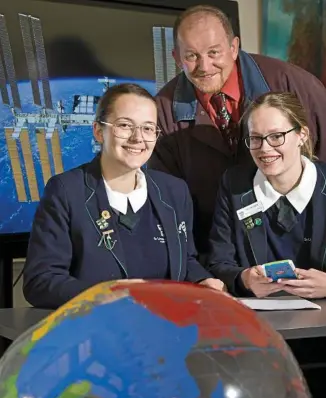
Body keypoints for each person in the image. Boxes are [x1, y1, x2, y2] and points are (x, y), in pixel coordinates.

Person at [23, 83, 224, 309]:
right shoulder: (66, 191)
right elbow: (40, 280)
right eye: (125, 125)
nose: (138, 138)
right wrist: (103, 295)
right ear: (99, 131)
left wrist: (203, 281)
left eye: (148, 128)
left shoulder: (174, 191)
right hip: (97, 333)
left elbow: (186, 261)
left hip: (166, 329)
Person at [148, 4, 326, 258]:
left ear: (234, 48)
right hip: (217, 256)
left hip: (309, 249)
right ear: (177, 58)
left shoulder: (294, 84)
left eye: (214, 52)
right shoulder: (162, 112)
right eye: (191, 56)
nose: (205, 66)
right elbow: (168, 204)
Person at [207, 91, 326, 298]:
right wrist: (245, 279)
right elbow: (218, 262)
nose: (264, 148)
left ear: (302, 135)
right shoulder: (235, 185)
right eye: (255, 138)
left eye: (276, 136)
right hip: (257, 320)